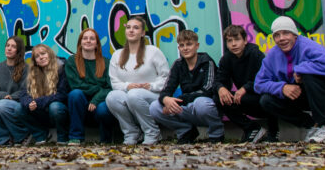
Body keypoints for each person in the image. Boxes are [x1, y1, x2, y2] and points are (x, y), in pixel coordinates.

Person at [255, 16, 325, 143]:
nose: (281, 38)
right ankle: (314, 127)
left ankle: (324, 127)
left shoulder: (308, 46)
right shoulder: (272, 55)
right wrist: (282, 88)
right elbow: (259, 84)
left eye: (286, 33)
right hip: (307, 95)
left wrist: (301, 69)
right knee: (266, 100)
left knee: (309, 74)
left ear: (295, 35)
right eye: (277, 35)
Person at [149, 30, 222, 143]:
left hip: (206, 107)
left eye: (189, 44)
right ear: (179, 48)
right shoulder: (178, 64)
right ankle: (186, 132)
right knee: (154, 107)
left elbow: (208, 90)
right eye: (182, 45)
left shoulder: (207, 62)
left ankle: (217, 134)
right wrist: (166, 99)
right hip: (187, 107)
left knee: (201, 103)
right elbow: (166, 90)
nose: (185, 48)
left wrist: (180, 100)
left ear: (197, 46)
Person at [105, 16, 169, 145]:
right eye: (128, 27)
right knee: (112, 97)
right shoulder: (117, 54)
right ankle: (132, 132)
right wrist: (128, 86)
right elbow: (114, 82)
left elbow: (166, 77)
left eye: (136, 28)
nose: (131, 30)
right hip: (130, 94)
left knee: (135, 95)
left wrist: (150, 86)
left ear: (143, 33)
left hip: (152, 95)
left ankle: (152, 132)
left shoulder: (153, 52)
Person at [216, 25, 277, 143]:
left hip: (262, 99)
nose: (233, 44)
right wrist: (221, 88)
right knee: (219, 98)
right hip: (245, 100)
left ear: (245, 41)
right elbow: (219, 79)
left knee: (268, 96)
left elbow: (265, 79)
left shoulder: (256, 54)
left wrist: (245, 88)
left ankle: (274, 132)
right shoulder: (226, 59)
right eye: (230, 41)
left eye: (237, 39)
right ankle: (252, 128)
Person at [65, 28, 115, 144]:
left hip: (99, 102)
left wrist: (96, 99)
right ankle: (76, 137)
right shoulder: (72, 61)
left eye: (92, 39)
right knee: (75, 94)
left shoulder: (106, 62)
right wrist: (98, 88)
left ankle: (106, 140)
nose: (88, 41)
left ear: (97, 44)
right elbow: (75, 85)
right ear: (80, 43)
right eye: (85, 38)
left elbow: (110, 87)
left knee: (103, 108)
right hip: (81, 103)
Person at [0, 37, 30, 145]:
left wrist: (12, 97)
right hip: (1, 101)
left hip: (18, 103)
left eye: (13, 47)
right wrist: (5, 95)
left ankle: (22, 136)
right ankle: (4, 139)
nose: (9, 48)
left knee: (2, 105)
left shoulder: (25, 68)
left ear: (18, 50)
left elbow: (26, 90)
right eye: (7, 45)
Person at [19, 44, 69, 143]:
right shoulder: (32, 74)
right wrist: (29, 103)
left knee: (55, 107)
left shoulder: (61, 68)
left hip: (59, 111)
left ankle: (62, 137)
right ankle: (41, 135)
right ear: (35, 62)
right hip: (42, 111)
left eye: (43, 54)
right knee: (20, 108)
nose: (41, 57)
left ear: (49, 54)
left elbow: (62, 94)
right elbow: (23, 94)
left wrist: (37, 101)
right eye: (37, 56)